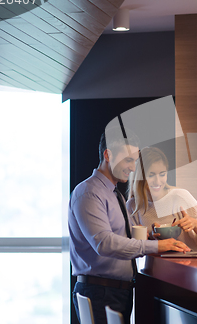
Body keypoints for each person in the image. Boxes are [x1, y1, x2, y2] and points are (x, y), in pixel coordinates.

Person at [69, 128, 190, 324]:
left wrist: (152, 234)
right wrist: (158, 246)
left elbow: (122, 237)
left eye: (135, 160)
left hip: (115, 292)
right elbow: (104, 243)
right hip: (100, 293)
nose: (133, 167)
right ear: (107, 155)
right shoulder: (89, 193)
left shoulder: (115, 194)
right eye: (128, 160)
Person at [127, 147, 197, 251]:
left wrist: (195, 224)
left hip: (194, 261)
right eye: (151, 175)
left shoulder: (180, 196)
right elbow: (133, 249)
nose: (158, 181)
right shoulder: (132, 206)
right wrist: (150, 238)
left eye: (162, 174)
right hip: (158, 265)